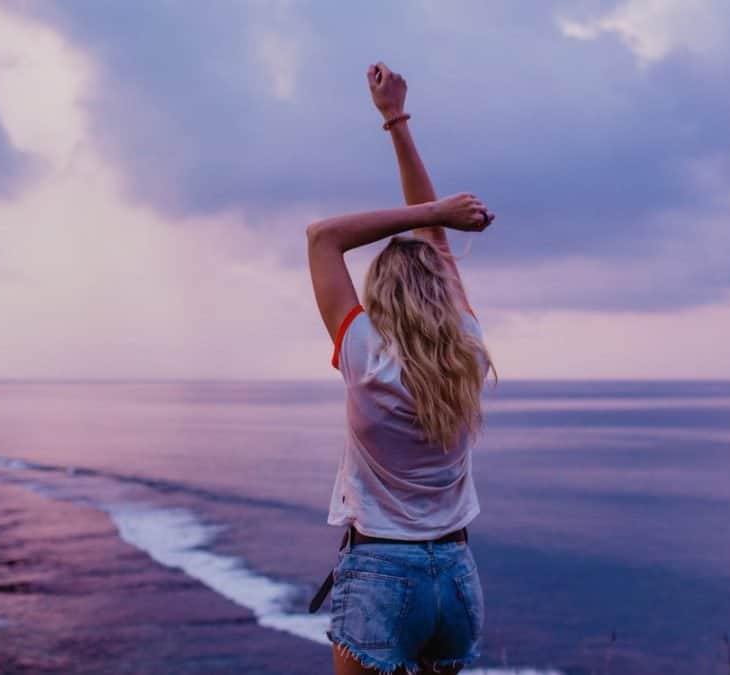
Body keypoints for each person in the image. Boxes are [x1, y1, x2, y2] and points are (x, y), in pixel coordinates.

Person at [305, 62, 498, 675]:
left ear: (379, 296)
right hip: (456, 579)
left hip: (383, 574)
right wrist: (398, 122)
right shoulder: (467, 346)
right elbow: (430, 234)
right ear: (445, 290)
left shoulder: (364, 354)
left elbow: (322, 237)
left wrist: (438, 207)